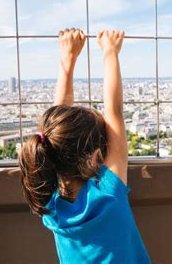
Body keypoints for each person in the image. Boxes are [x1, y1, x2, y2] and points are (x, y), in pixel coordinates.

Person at [18, 28, 151, 263]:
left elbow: (59, 129)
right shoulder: (108, 192)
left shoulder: (51, 208)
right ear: (97, 154)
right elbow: (115, 113)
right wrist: (110, 52)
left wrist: (68, 57)